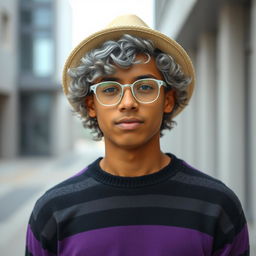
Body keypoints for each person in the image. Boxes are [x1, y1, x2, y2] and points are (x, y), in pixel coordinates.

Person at [25, 14, 249, 256]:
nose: (128, 103)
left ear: (168, 100)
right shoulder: (53, 211)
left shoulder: (218, 206)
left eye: (144, 87)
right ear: (91, 105)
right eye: (110, 89)